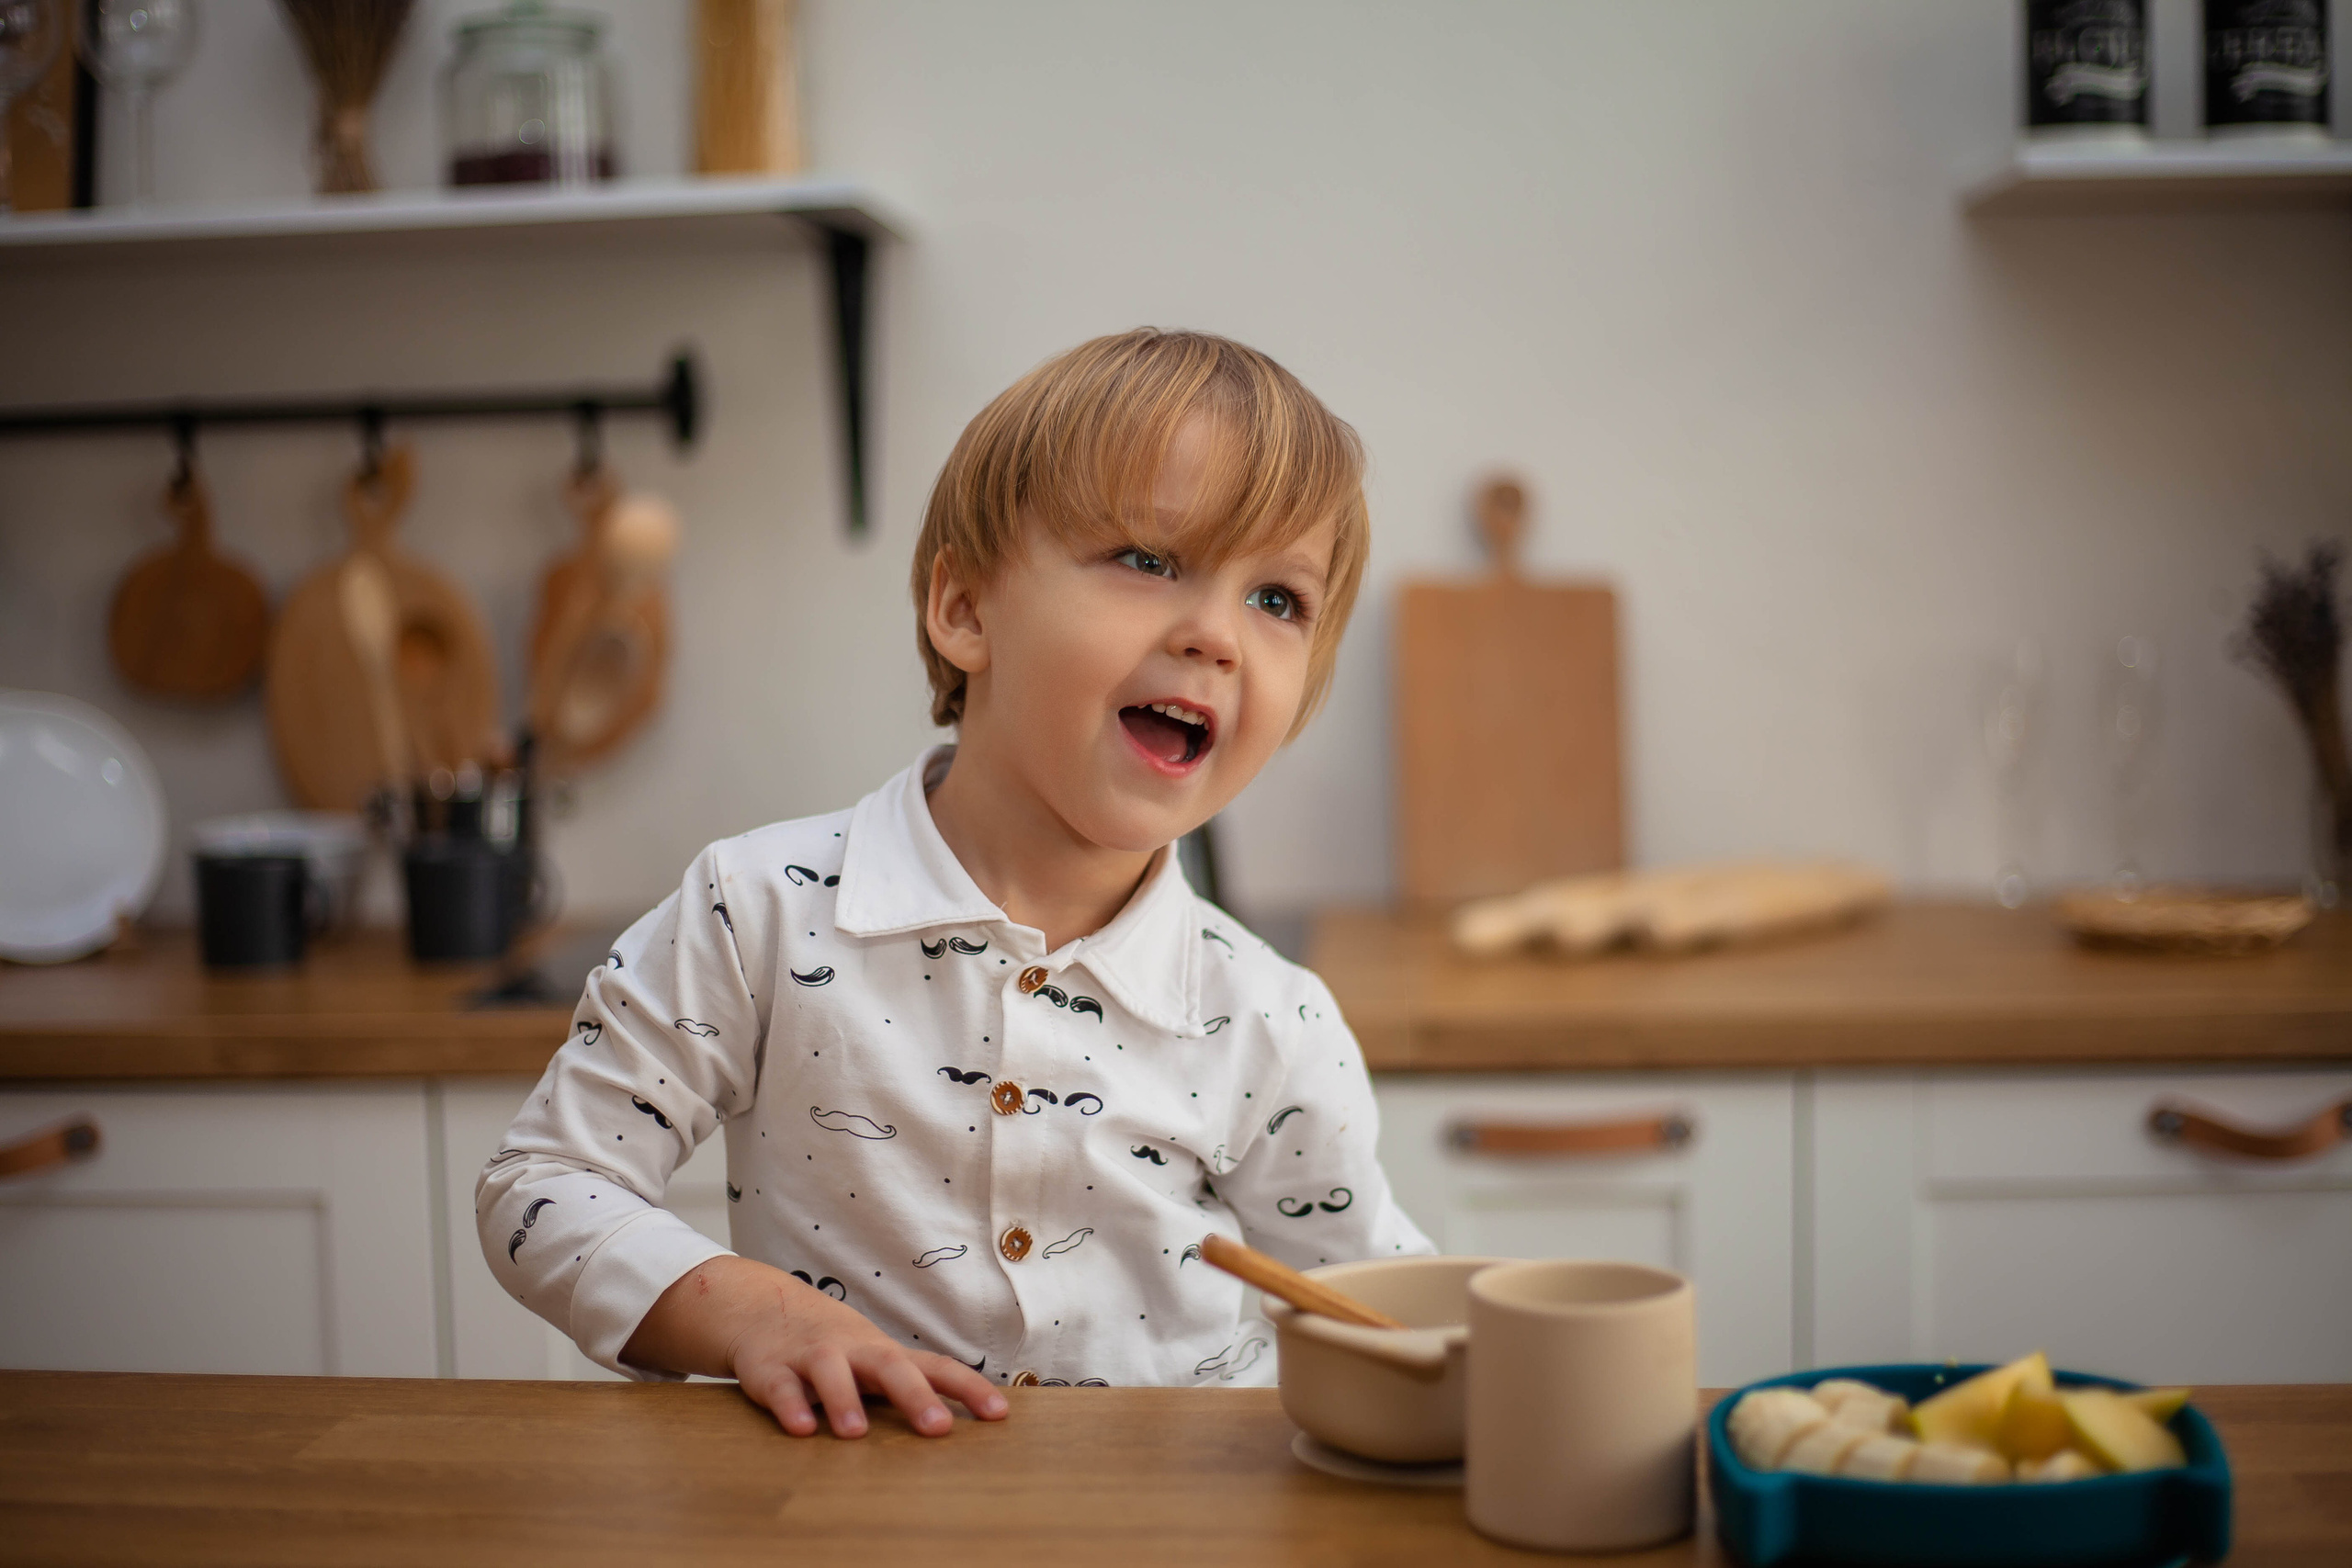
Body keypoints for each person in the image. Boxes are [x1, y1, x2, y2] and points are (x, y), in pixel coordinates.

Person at [478, 327, 1433, 1440]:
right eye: (1149, 560)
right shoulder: (760, 912)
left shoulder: (1274, 1021)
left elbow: (1375, 1308)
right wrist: (749, 1316)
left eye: (1278, 601)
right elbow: (542, 1187)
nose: (1216, 635)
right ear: (965, 610)